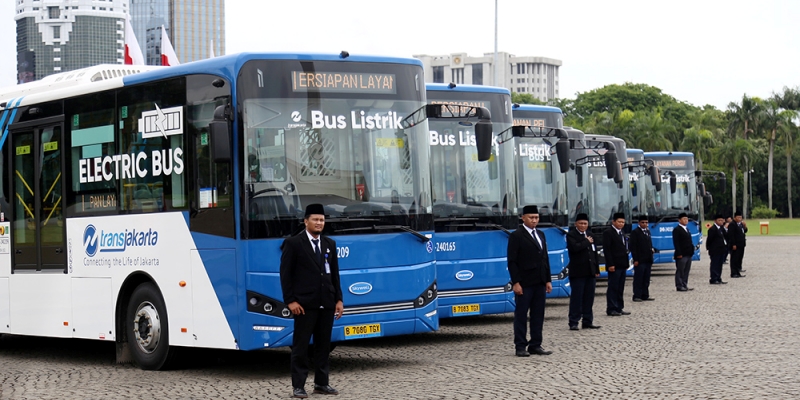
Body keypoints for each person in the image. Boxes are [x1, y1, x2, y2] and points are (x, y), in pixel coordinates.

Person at [280, 203, 344, 398]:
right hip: (304, 305)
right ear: (306, 221)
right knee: (301, 347)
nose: (319, 223)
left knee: (323, 346)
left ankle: (321, 383)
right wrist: (290, 300)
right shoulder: (294, 243)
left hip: (327, 303)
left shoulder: (329, 244)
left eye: (322, 220)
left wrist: (339, 299)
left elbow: (335, 274)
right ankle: (298, 386)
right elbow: (285, 275)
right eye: (315, 220)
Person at [507, 205, 553, 357]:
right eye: (531, 218)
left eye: (537, 218)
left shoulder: (540, 234)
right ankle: (520, 345)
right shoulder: (517, 236)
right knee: (521, 315)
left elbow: (545, 258)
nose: (534, 220)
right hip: (524, 282)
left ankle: (535, 344)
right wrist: (516, 282)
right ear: (523, 218)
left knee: (538, 315)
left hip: (539, 281)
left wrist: (548, 280)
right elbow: (512, 261)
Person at [566, 213, 601, 330]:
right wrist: (586, 242)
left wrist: (596, 269)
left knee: (589, 297)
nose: (582, 225)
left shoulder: (591, 235)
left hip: (590, 271)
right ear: (576, 224)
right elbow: (575, 248)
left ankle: (587, 321)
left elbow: (594, 253)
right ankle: (574, 321)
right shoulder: (571, 235)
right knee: (577, 298)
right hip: (578, 272)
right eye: (580, 223)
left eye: (585, 223)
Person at [602, 212, 630, 316]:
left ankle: (619, 307)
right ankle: (611, 308)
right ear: (614, 222)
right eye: (619, 222)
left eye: (623, 222)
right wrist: (610, 264)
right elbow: (607, 250)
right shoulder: (608, 233)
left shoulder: (622, 232)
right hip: (614, 264)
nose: (621, 224)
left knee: (620, 287)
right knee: (613, 287)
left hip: (622, 264)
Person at [630, 214, 656, 301]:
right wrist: (636, 259)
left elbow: (649, 243)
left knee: (646, 279)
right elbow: (633, 247)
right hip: (640, 260)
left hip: (648, 259)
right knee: (639, 279)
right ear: (639, 223)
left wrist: (652, 249)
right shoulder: (635, 232)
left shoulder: (648, 231)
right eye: (643, 222)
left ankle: (645, 294)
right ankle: (637, 295)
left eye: (646, 222)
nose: (645, 224)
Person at [672, 212, 695, 291]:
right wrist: (679, 253)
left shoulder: (687, 229)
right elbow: (676, 242)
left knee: (686, 270)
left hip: (688, 253)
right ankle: (679, 285)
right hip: (681, 254)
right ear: (679, 220)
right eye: (684, 219)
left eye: (687, 219)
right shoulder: (677, 229)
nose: (686, 220)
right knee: (680, 270)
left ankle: (684, 284)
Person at [706, 214, 729, 285]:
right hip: (715, 250)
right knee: (714, 264)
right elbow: (709, 240)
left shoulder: (722, 228)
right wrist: (709, 248)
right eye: (719, 220)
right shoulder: (712, 229)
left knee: (720, 264)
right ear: (715, 221)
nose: (721, 222)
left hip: (721, 249)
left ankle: (718, 277)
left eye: (722, 220)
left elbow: (726, 237)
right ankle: (713, 278)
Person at [728, 211, 747, 278]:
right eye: (738, 217)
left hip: (741, 244)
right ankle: (733, 272)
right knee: (734, 258)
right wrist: (733, 244)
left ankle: (738, 271)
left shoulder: (740, 224)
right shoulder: (732, 224)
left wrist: (745, 226)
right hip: (736, 244)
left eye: (741, 217)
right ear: (735, 217)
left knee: (739, 258)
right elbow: (731, 235)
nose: (740, 218)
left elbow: (744, 231)